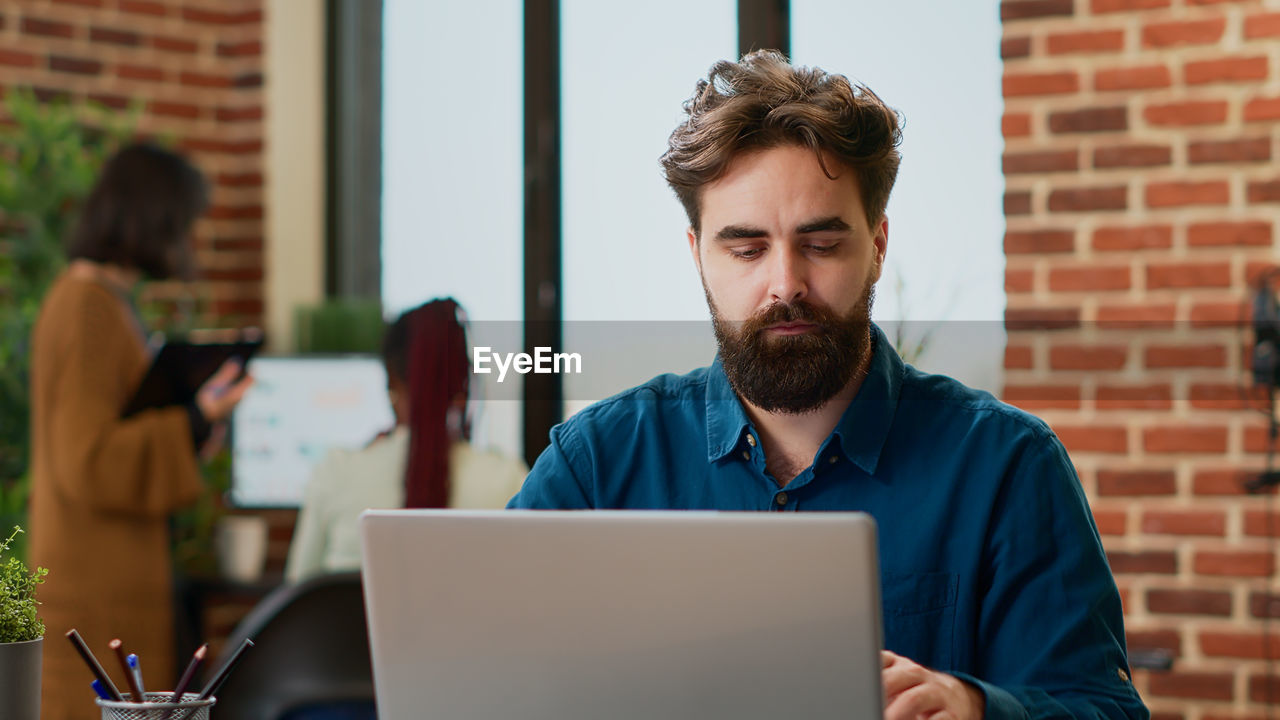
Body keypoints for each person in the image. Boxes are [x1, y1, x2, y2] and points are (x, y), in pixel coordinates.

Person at [509, 51, 1148, 720]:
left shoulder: (1007, 465)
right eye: (747, 248)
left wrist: (973, 708)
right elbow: (488, 669)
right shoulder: (596, 467)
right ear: (697, 255)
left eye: (820, 243)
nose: (785, 282)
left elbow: (1101, 707)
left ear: (877, 243)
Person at [28, 143, 253, 720]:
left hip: (106, 584)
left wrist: (191, 428)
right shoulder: (87, 307)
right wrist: (195, 418)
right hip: (92, 596)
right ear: (154, 218)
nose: (188, 242)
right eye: (184, 224)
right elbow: (88, 459)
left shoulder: (102, 302)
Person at [285, 298, 528, 583]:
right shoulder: (507, 480)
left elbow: (299, 599)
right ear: (464, 384)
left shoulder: (337, 472)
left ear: (391, 383)